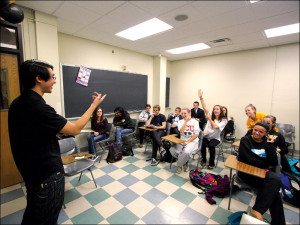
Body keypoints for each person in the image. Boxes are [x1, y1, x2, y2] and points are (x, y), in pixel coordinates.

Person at [8, 59, 106, 225]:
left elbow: (43, 130)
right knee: (46, 219)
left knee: (33, 216)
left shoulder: (18, 103)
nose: (54, 80)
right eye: (52, 77)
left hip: (32, 175)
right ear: (39, 78)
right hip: (47, 177)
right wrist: (93, 106)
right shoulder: (38, 107)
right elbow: (75, 129)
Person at [237, 122, 286, 225]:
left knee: (274, 190)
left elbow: (273, 162)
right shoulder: (245, 140)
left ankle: (258, 211)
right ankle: (259, 212)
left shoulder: (267, 143)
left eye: (261, 131)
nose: (257, 133)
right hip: (247, 172)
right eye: (255, 130)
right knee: (275, 182)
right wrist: (264, 163)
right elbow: (246, 159)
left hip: (262, 174)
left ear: (266, 133)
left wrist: (269, 146)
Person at [198, 89, 227, 169]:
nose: (215, 110)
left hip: (215, 138)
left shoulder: (224, 120)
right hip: (206, 136)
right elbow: (205, 107)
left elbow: (215, 127)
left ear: (220, 111)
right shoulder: (211, 115)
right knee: (202, 145)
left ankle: (211, 163)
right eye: (214, 109)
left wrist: (209, 119)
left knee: (211, 146)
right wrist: (201, 98)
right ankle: (203, 160)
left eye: (217, 109)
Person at [169, 108, 200, 174]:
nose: (183, 115)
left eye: (185, 113)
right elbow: (181, 131)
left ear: (189, 114)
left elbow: (196, 134)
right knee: (172, 149)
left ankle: (179, 165)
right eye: (182, 113)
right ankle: (185, 161)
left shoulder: (195, 122)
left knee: (186, 152)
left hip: (192, 141)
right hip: (182, 140)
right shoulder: (180, 121)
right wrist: (186, 122)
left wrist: (188, 141)